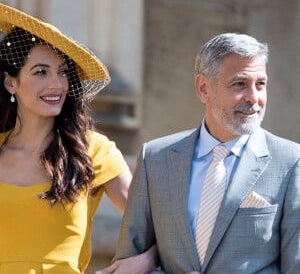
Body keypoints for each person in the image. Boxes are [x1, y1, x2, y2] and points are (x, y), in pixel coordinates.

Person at [102, 33, 300, 273]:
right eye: (239, 84)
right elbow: (129, 264)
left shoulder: (291, 161)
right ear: (204, 88)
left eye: (260, 84)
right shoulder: (154, 158)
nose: (253, 98)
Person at [0, 3, 157, 274]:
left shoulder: (93, 150)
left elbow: (156, 225)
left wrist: (144, 261)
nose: (57, 84)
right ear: (10, 82)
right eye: (41, 72)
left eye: (62, 72)